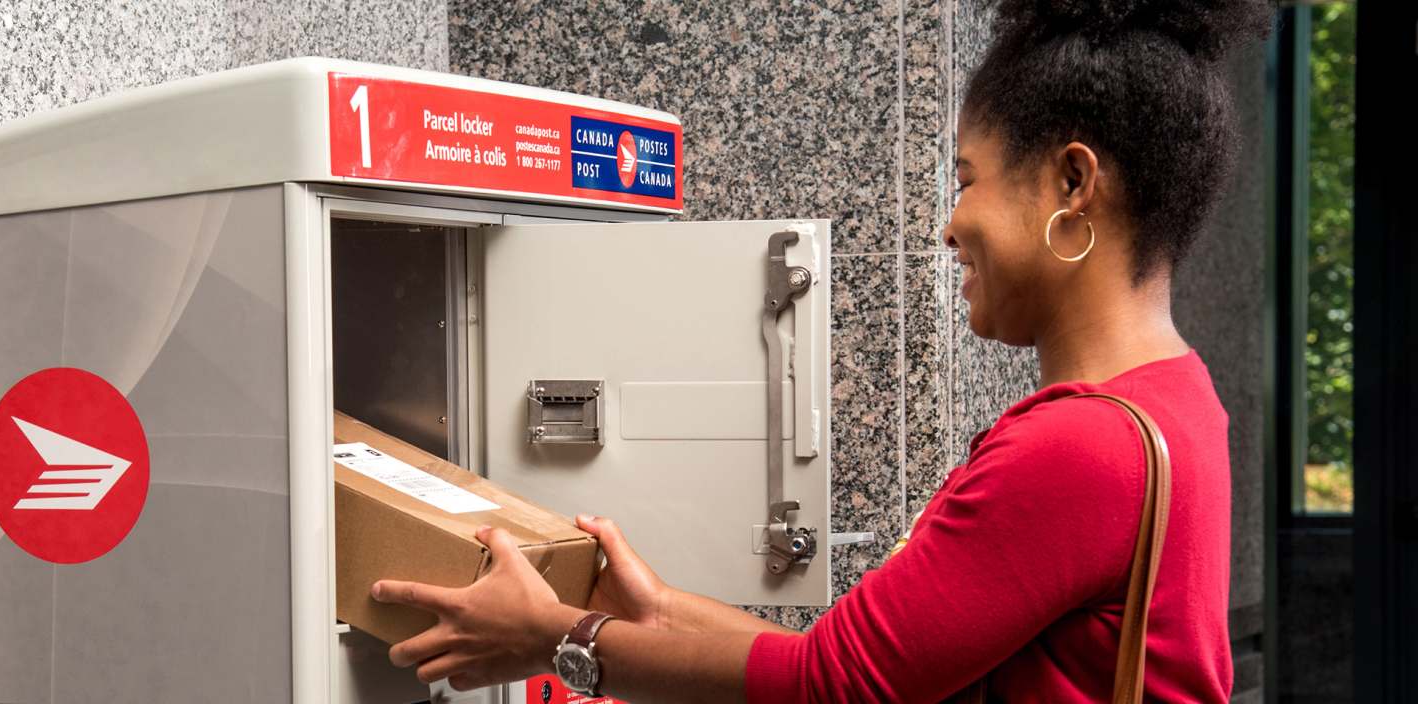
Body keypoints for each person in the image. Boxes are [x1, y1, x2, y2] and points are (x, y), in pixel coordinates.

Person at [368, 0, 1273, 700]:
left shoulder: (1075, 450)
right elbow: (851, 667)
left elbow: (830, 691)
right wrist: (660, 613)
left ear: (1072, 182)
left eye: (965, 181)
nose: (949, 226)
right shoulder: (1176, 398)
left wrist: (556, 641)